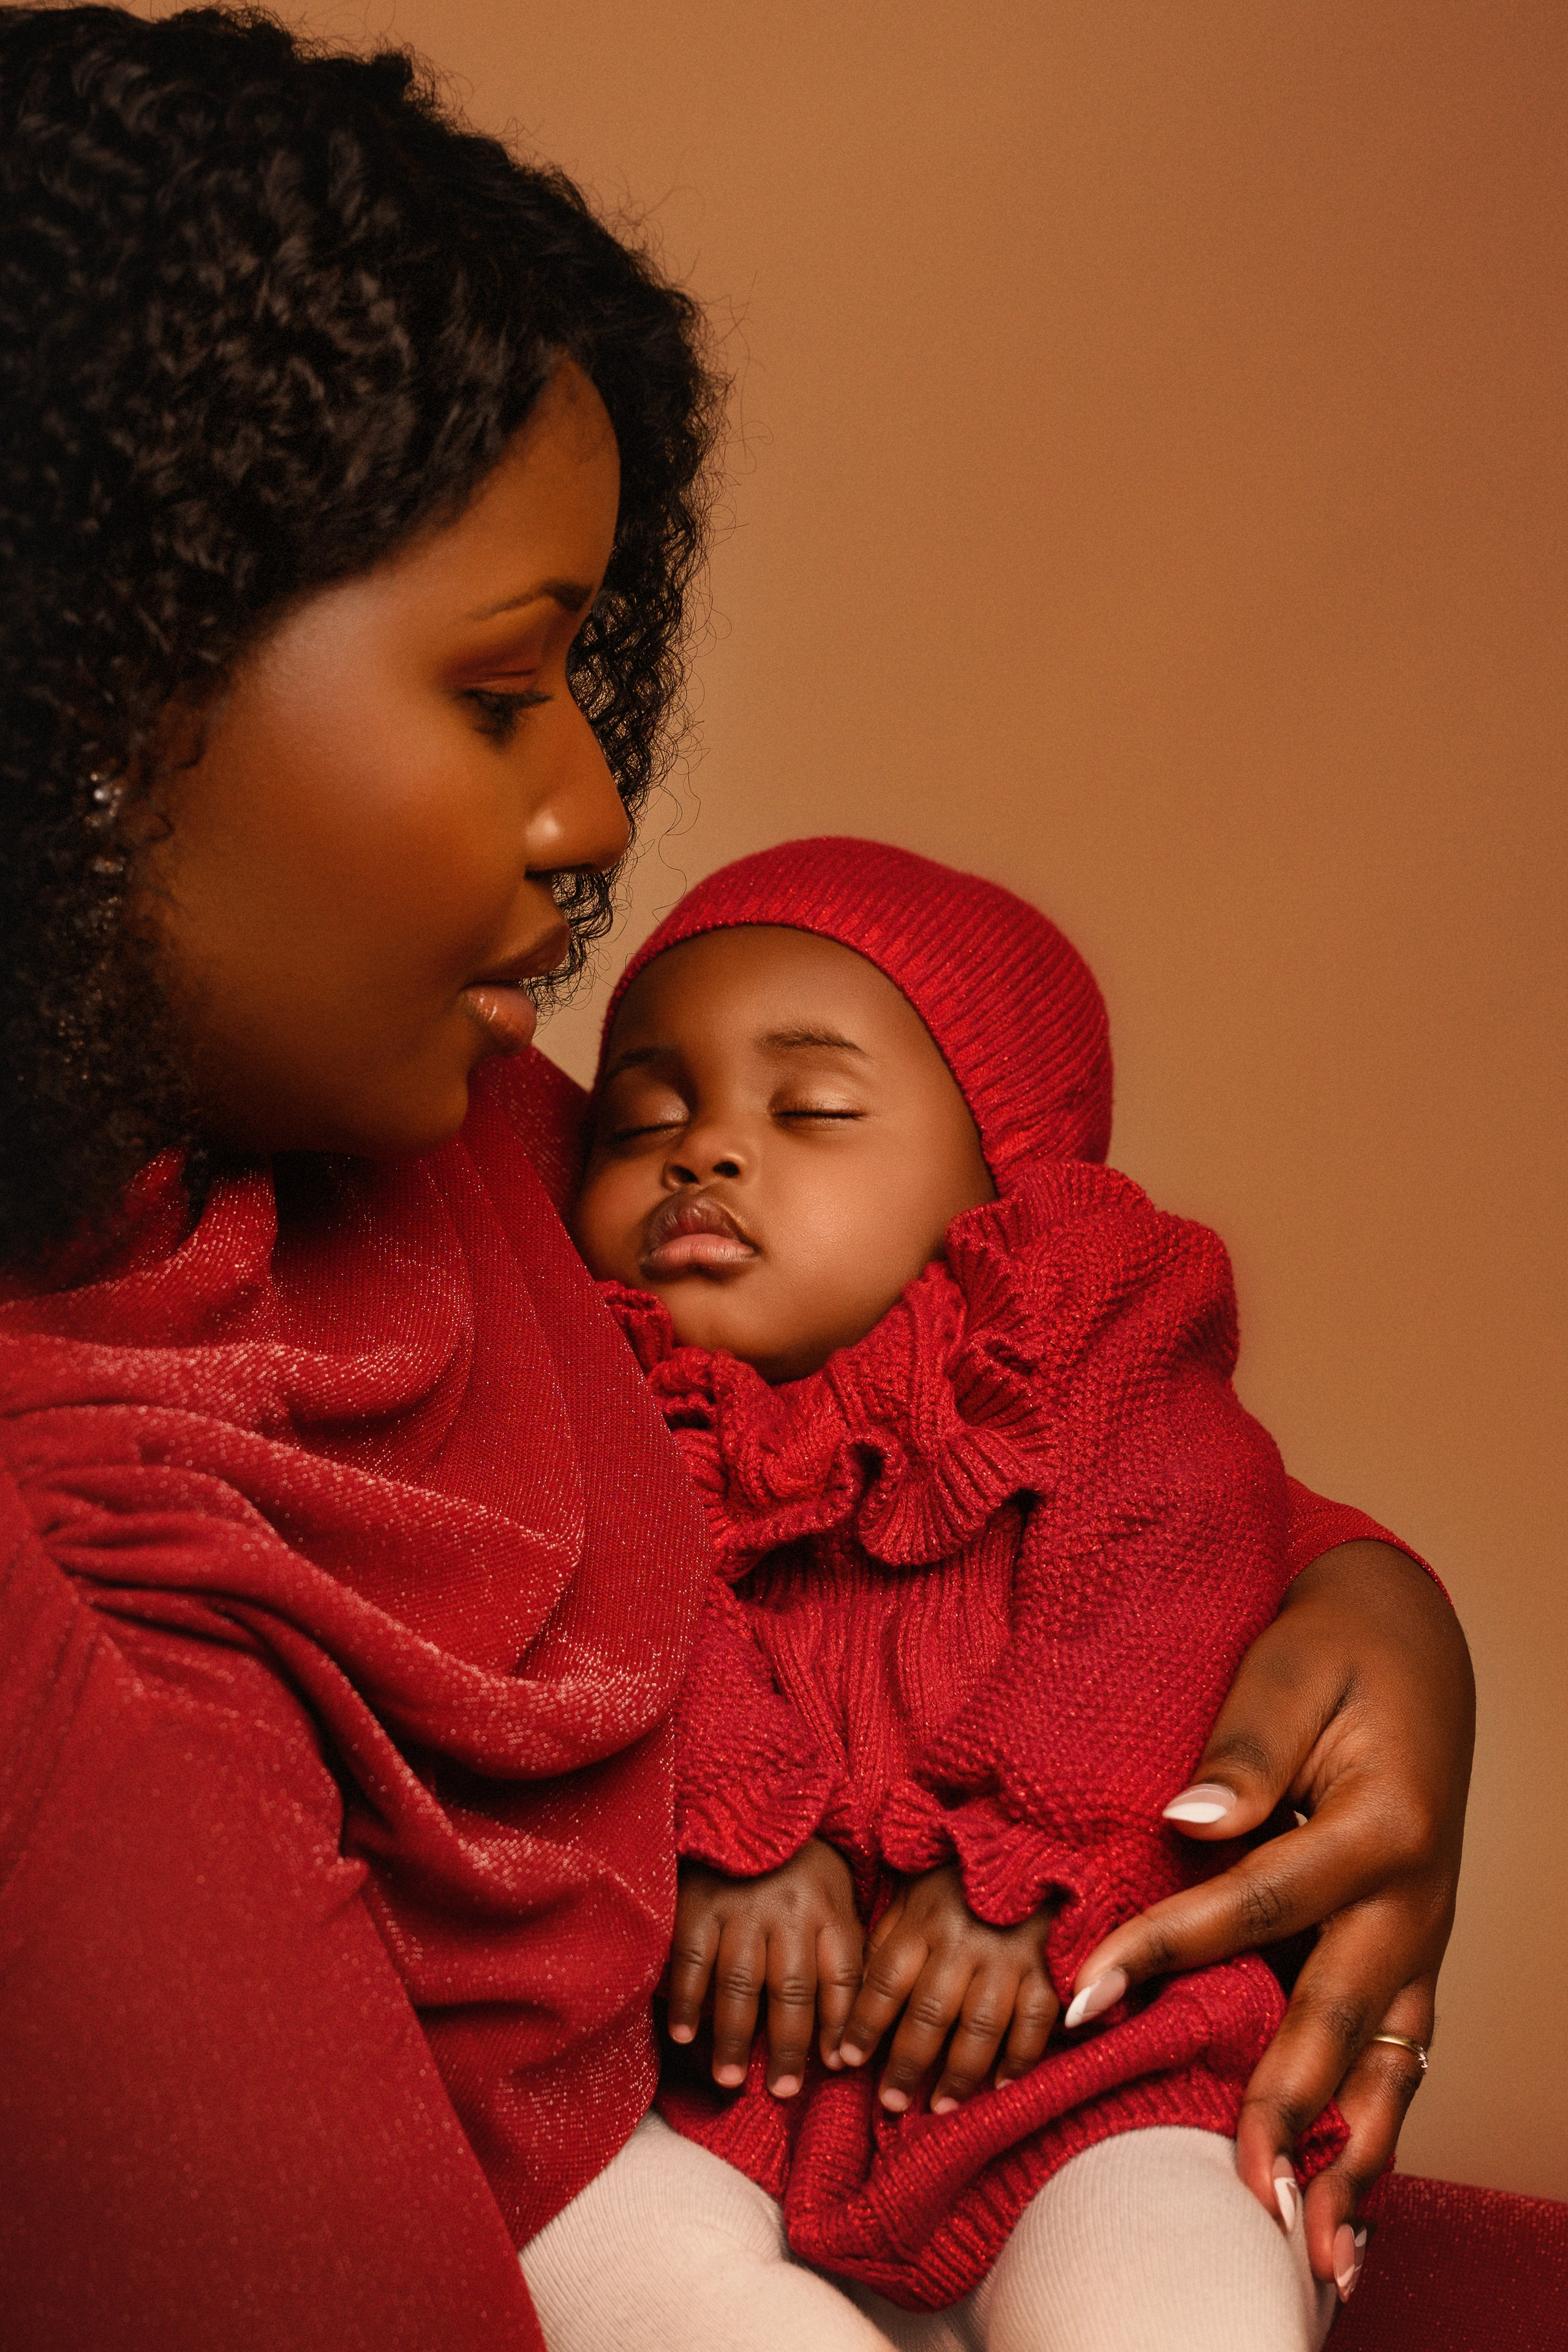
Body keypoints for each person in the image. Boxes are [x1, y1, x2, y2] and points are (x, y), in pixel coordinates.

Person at [0, 10, 1472, 2350]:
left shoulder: (484, 1147)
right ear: (82, 699)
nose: (600, 813)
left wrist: (1378, 1625)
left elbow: (1016, 1441)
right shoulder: (70, 1634)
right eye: (504, 692)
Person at [538, 839, 1449, 2351]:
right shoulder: (586, 1385)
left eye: (809, 1109)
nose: (702, 1151)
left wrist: (1024, 1864)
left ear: (1003, 1183)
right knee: (587, 2242)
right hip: (701, 2080)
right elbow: (617, 1612)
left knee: (1174, 2273)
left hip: (1077, 2061)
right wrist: (738, 1822)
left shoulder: (1089, 1343)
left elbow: (1161, 1587)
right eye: (642, 1120)